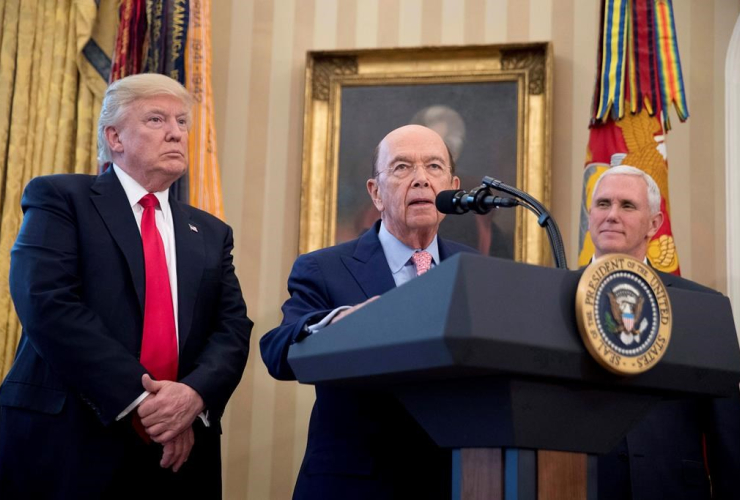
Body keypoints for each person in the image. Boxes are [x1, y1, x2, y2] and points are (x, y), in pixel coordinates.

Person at [0, 73, 253, 498]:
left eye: (181, 122)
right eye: (156, 120)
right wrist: (147, 402)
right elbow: (47, 304)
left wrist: (192, 396)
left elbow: (232, 329)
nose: (175, 132)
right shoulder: (61, 199)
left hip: (180, 451)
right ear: (114, 137)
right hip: (70, 440)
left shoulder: (210, 231)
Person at [261, 125, 475, 500]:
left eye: (434, 167)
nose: (421, 180)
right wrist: (340, 325)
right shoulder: (324, 268)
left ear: (452, 188)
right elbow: (277, 351)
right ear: (375, 193)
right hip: (356, 483)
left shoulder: (474, 268)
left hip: (456, 481)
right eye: (402, 167)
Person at [586, 165, 740, 499]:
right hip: (583, 487)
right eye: (602, 204)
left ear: (654, 224)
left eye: (627, 205)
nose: (612, 215)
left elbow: (727, 435)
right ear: (589, 215)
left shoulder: (701, 306)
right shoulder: (557, 295)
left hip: (671, 487)